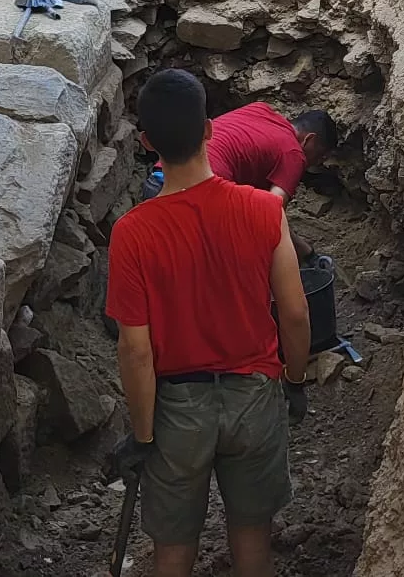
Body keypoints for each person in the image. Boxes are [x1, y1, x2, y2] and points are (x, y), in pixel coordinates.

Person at [106, 69, 312, 577]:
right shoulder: (264, 209)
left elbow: (135, 351)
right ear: (209, 130)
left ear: (147, 142)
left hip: (178, 411)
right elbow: (295, 312)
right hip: (254, 398)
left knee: (173, 550)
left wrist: (142, 434)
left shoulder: (132, 234)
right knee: (252, 544)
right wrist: (295, 381)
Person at [142, 102, 337, 204]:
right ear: (309, 139)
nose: (313, 163)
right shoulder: (293, 153)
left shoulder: (258, 109)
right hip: (194, 198)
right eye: (319, 155)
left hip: (159, 181)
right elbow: (272, 214)